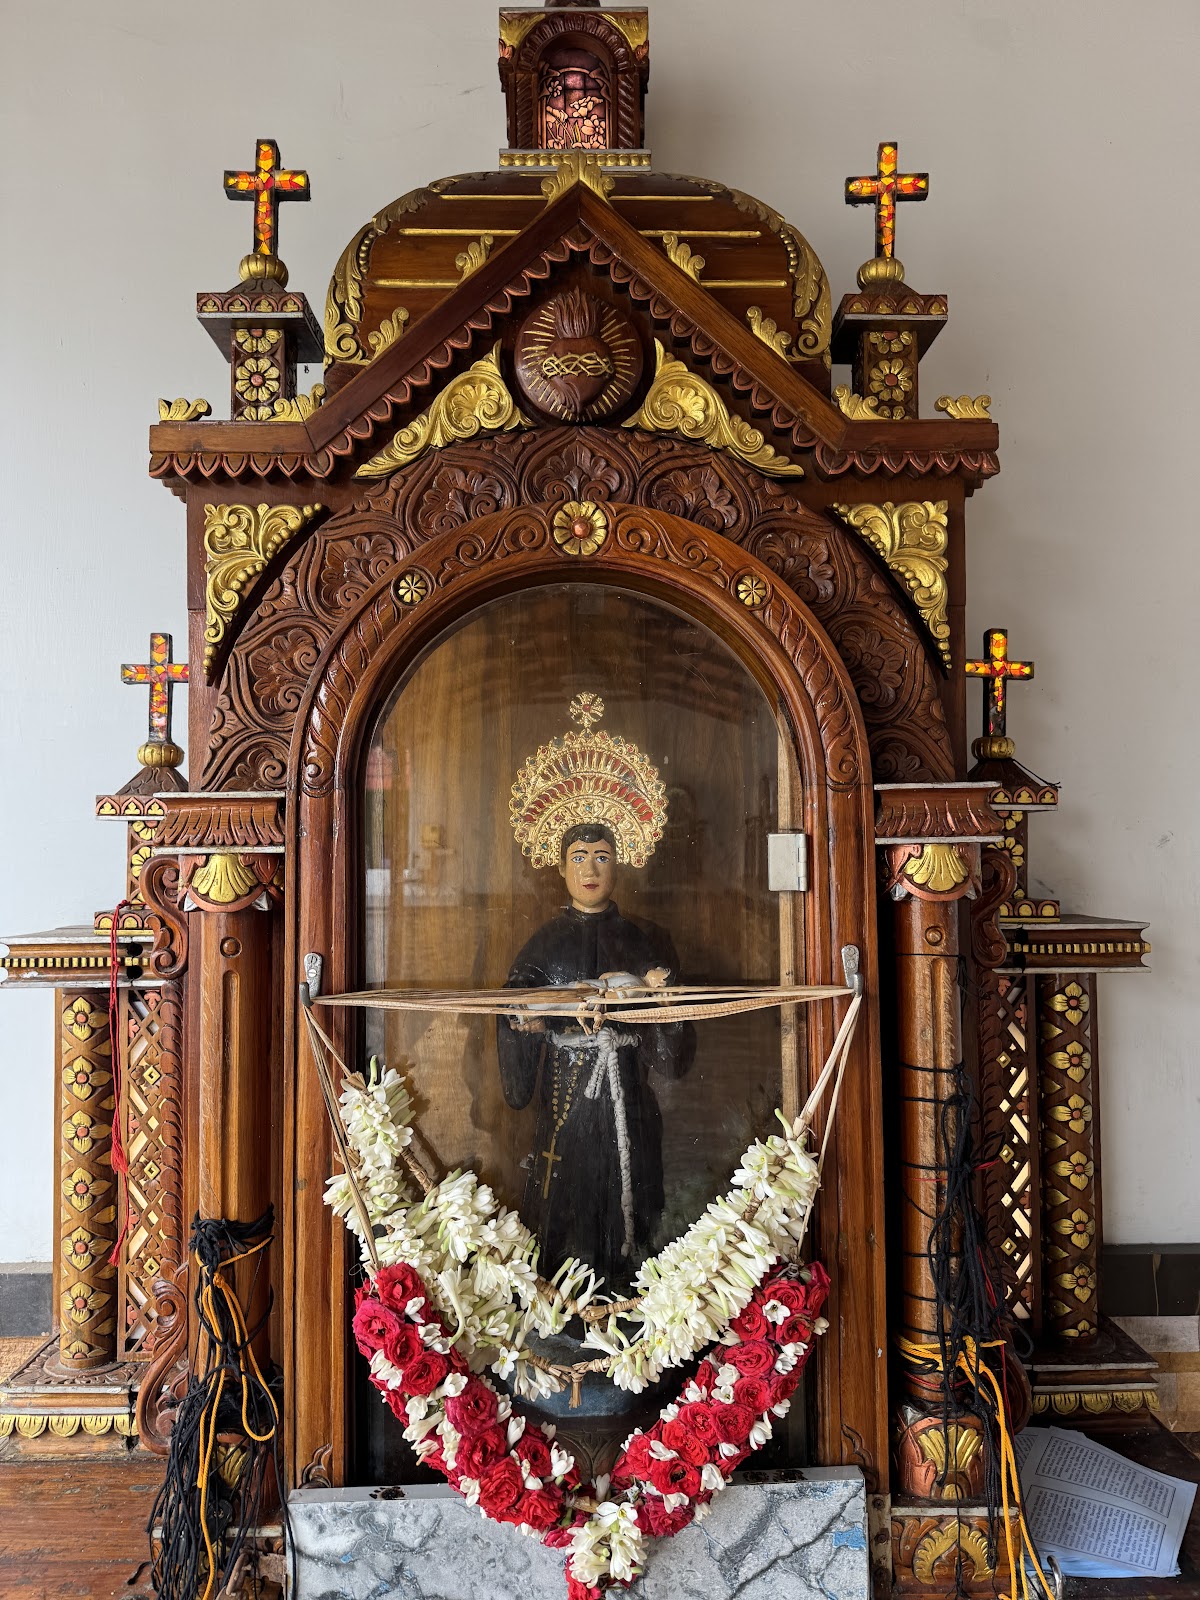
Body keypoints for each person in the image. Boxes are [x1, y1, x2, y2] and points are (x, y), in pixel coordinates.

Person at [500, 696, 690, 1286]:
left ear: (621, 864)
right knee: (567, 1204)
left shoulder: (645, 939)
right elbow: (513, 1013)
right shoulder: (541, 944)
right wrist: (532, 1020)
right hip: (565, 1099)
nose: (591, 868)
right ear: (559, 866)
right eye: (578, 857)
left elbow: (675, 1039)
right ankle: (563, 1302)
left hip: (628, 1100)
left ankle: (629, 1297)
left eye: (603, 856)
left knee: (628, 1206)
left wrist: (660, 1001)